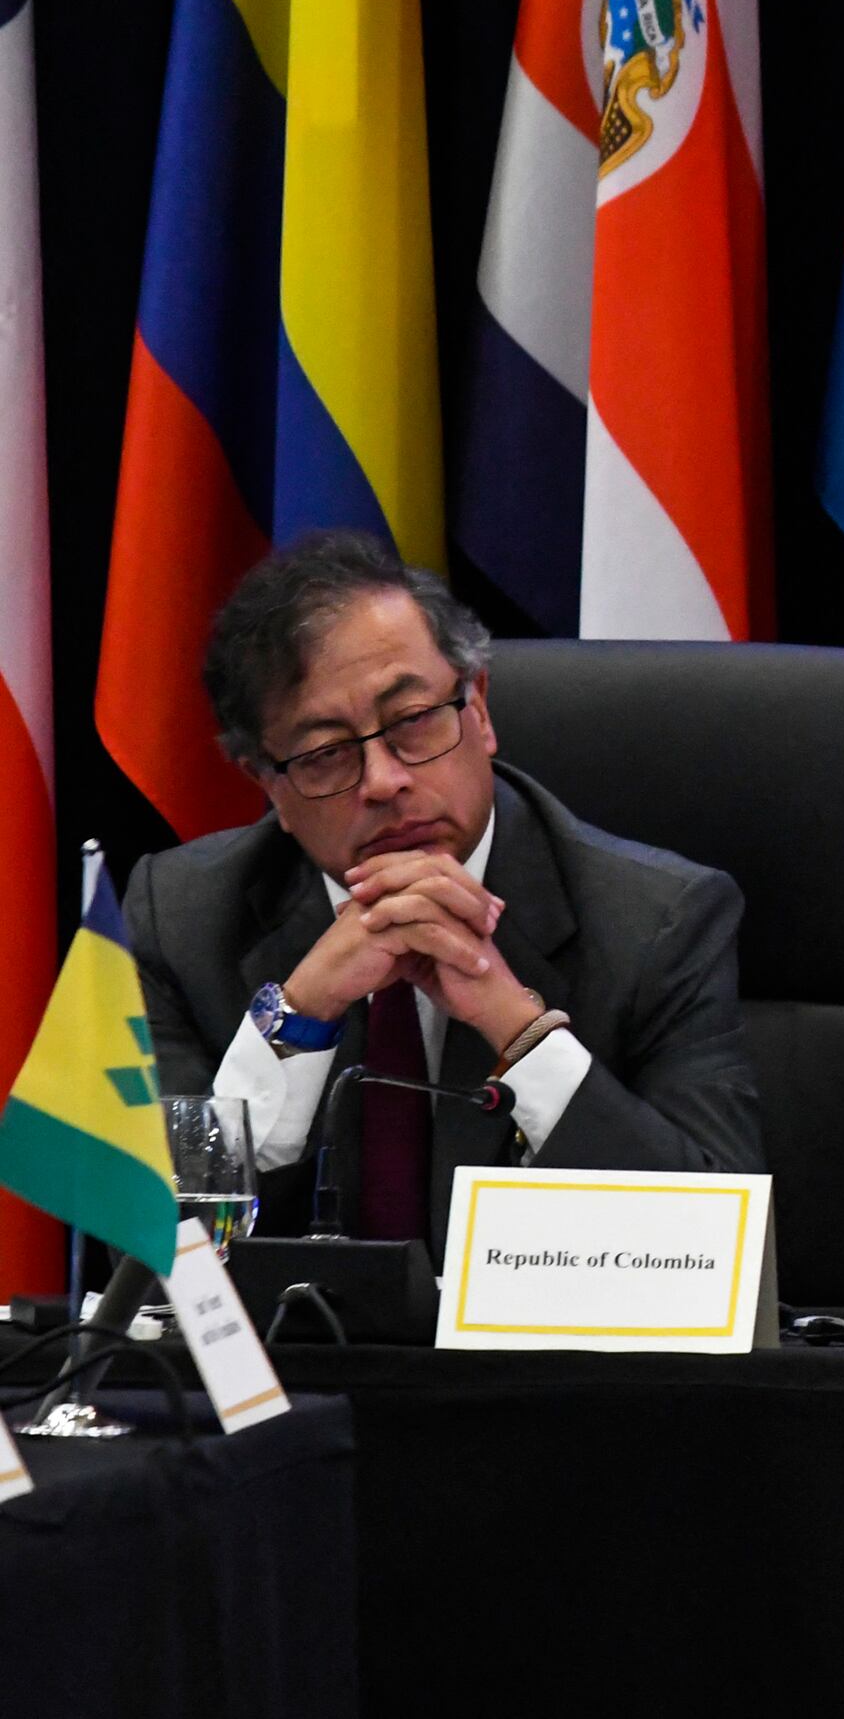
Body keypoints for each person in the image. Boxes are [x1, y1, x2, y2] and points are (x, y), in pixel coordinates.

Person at [125, 532, 764, 1250]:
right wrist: (298, 1018)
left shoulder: (656, 921)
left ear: (479, 709)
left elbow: (714, 1242)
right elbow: (150, 1251)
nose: (384, 780)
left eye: (412, 721)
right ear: (267, 784)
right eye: (326, 753)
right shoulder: (181, 915)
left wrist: (515, 1026)